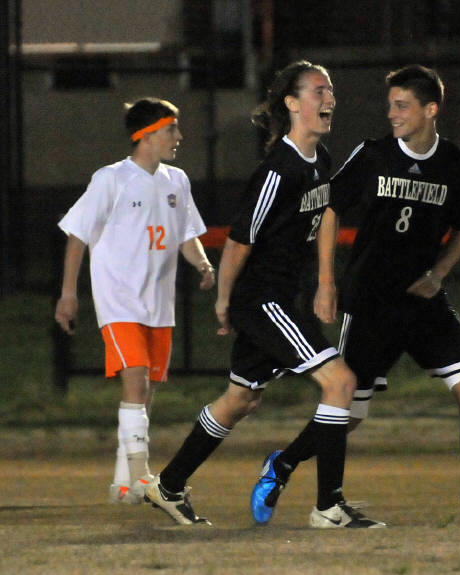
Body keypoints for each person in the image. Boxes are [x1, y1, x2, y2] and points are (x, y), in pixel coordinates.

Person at [250, 64, 460, 525]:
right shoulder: (374, 154)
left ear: (430, 110)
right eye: (390, 105)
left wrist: (438, 274)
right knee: (349, 414)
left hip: (424, 304)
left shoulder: (457, 162)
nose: (392, 114)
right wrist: (327, 282)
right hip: (370, 303)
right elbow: (331, 208)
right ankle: (284, 464)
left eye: (402, 105)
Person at [144, 60, 386, 529]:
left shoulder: (321, 161)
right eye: (318, 91)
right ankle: (329, 507)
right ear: (292, 103)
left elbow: (324, 219)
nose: (329, 98)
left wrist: (325, 282)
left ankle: (168, 485)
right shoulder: (279, 169)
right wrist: (223, 301)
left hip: (284, 300)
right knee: (340, 383)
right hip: (263, 300)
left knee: (239, 400)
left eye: (330, 90)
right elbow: (240, 241)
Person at [54, 98, 215, 505]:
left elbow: (186, 234)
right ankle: (142, 477)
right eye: (171, 129)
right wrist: (69, 293)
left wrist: (202, 263)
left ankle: (123, 482)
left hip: (158, 304)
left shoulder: (177, 180)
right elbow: (77, 235)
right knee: (137, 380)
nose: (178, 137)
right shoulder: (111, 179)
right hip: (119, 300)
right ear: (146, 135)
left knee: (146, 393)